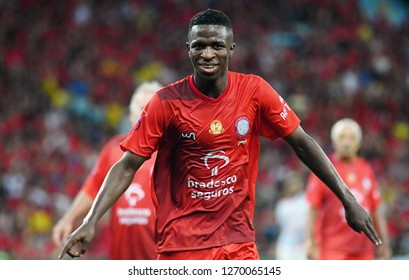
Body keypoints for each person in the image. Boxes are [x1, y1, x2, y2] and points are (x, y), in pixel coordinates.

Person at [58, 9, 382, 260]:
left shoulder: (254, 91)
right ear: (188, 49)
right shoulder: (165, 102)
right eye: (199, 46)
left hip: (237, 241)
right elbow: (126, 165)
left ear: (231, 48)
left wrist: (348, 199)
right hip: (179, 245)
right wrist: (90, 220)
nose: (208, 54)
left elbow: (303, 143)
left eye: (216, 45)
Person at [53, 81, 163, 260]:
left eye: (154, 108)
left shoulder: (174, 152)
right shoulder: (113, 149)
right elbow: (94, 188)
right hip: (121, 257)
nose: (147, 114)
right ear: (130, 114)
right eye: (142, 108)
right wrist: (68, 219)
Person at [305, 118, 391, 260]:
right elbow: (312, 209)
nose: (346, 142)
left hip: (363, 250)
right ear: (334, 142)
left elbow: (376, 209)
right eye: (342, 137)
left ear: (358, 143)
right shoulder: (323, 169)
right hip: (332, 249)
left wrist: (384, 244)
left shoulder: (366, 169)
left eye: (351, 138)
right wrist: (310, 244)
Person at [274, 171, 308, 260]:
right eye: (292, 183)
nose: (294, 186)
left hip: (303, 246)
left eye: (296, 182)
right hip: (286, 246)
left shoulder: (306, 200)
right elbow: (280, 224)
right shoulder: (282, 204)